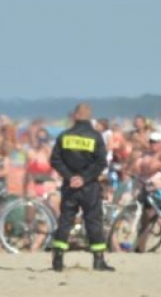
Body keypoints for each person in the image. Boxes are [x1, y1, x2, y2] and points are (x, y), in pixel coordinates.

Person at [49, 102, 114, 272]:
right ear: (90, 117)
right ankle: (98, 260)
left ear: (75, 116)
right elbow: (101, 162)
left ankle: (58, 259)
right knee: (93, 221)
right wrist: (84, 178)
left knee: (65, 220)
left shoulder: (64, 136)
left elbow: (55, 160)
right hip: (89, 186)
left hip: (70, 186)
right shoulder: (95, 137)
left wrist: (70, 177)